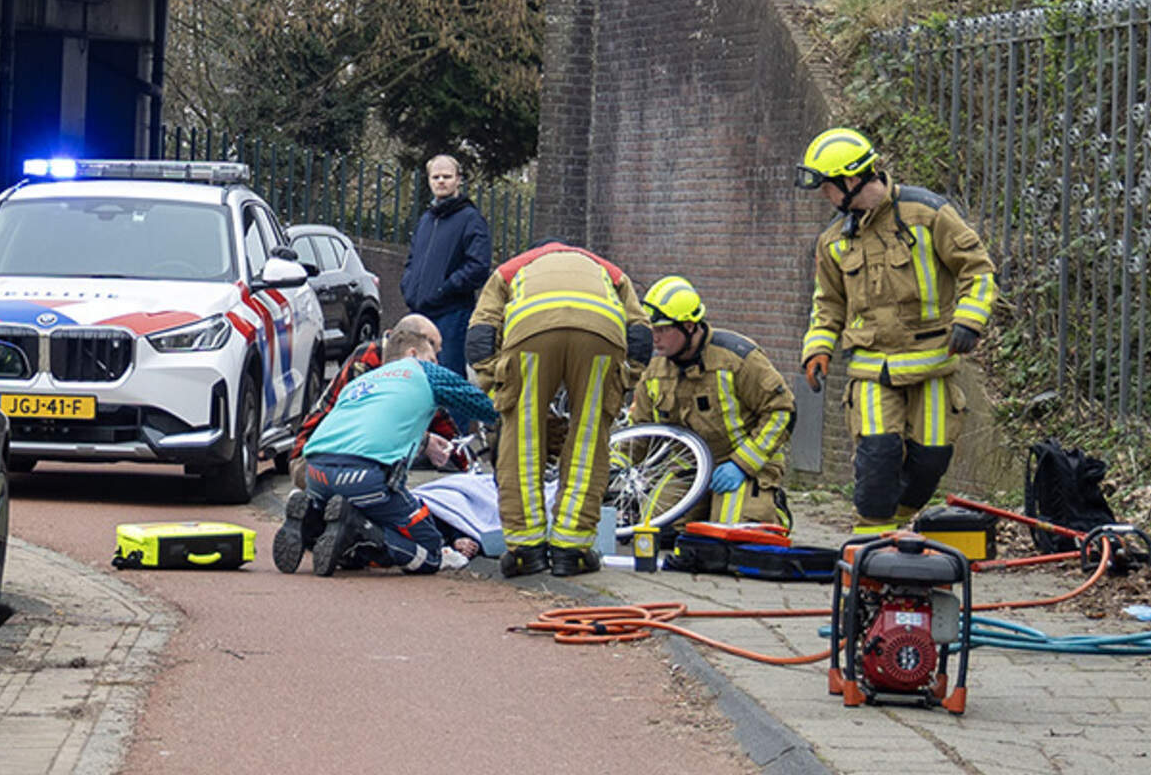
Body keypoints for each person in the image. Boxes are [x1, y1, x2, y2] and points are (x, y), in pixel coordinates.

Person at [797, 127, 998, 539]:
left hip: (933, 364)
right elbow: (828, 303)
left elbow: (975, 268)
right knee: (877, 455)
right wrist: (817, 348)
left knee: (930, 461)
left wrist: (969, 320)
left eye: (827, 186)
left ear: (851, 181)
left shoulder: (926, 214)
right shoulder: (834, 241)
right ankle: (869, 545)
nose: (824, 196)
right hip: (872, 368)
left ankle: (895, 529)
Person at [465, 241, 651, 577]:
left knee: (520, 439)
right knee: (588, 439)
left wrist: (496, 380)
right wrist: (626, 377)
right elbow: (640, 330)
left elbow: (480, 331)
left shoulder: (510, 269)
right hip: (602, 332)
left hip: (529, 331)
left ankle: (526, 550)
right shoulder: (608, 271)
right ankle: (572, 549)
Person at [286, 315, 497, 575]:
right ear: (413, 354)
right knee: (430, 550)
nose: (438, 363)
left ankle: (311, 521)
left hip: (315, 470)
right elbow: (485, 406)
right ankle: (359, 529)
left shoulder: (365, 381)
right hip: (361, 476)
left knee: (357, 521)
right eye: (433, 356)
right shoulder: (426, 372)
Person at [629, 275, 797, 532]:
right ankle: (706, 506)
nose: (655, 338)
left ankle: (772, 510)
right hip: (689, 466)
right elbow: (641, 429)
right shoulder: (654, 369)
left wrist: (742, 464)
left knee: (732, 530)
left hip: (742, 463)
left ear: (688, 326)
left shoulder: (737, 358)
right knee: (652, 527)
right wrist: (617, 465)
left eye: (662, 329)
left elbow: (782, 411)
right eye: (651, 330)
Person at [397, 154, 493, 379]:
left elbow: (478, 267)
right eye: (436, 177)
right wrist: (408, 286)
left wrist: (444, 288)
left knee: (448, 379)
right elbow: (413, 259)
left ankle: (456, 417)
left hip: (452, 315)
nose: (441, 181)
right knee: (418, 379)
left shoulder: (471, 219)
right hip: (420, 314)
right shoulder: (426, 220)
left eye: (447, 176)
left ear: (458, 179)